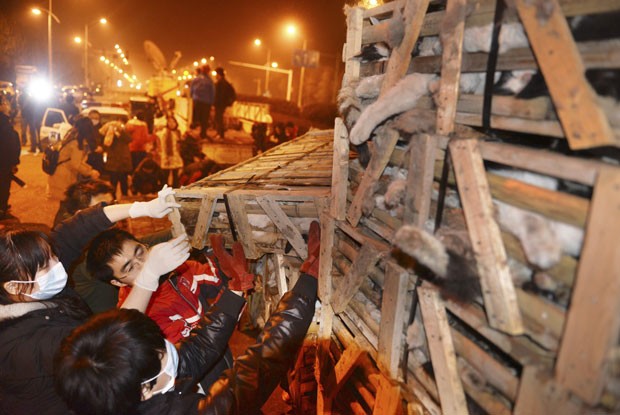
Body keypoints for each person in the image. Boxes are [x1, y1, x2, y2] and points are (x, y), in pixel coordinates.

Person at [55, 221, 321, 415]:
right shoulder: (190, 409)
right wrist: (307, 286)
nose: (172, 349)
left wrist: (235, 291)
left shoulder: (130, 381)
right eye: (161, 352)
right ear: (143, 390)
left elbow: (200, 346)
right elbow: (254, 373)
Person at [0, 187, 190, 414]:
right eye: (45, 267)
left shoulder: (31, 283)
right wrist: (148, 276)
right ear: (13, 286)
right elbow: (108, 341)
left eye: (52, 255)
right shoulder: (20, 343)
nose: (57, 264)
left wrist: (142, 208)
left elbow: (76, 229)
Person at [86, 231, 253, 389]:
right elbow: (195, 353)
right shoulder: (140, 318)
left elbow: (215, 281)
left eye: (140, 252)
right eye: (130, 268)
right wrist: (235, 290)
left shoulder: (177, 272)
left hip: (221, 358)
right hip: (198, 381)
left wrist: (221, 263)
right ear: (118, 283)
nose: (144, 265)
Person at [46, 118, 101, 203]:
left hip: (63, 175)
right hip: (63, 177)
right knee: (67, 204)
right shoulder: (76, 143)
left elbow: (77, 162)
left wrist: (89, 170)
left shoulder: (73, 138)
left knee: (66, 205)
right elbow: (75, 164)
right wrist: (90, 172)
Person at [0, 95, 21, 220]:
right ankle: (2, 209)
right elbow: (13, 146)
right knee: (3, 186)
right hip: (5, 163)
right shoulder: (7, 127)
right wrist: (14, 163)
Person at [100, 119, 133, 198]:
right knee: (113, 183)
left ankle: (125, 197)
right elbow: (105, 143)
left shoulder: (123, 134)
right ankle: (113, 198)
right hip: (113, 163)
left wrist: (121, 132)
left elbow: (130, 139)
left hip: (123, 162)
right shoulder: (109, 135)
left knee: (123, 182)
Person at [156, 115, 184, 188]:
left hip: (176, 156)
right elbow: (160, 141)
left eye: (173, 122)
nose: (171, 124)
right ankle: (164, 191)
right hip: (167, 156)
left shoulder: (178, 132)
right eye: (169, 122)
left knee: (176, 176)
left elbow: (180, 144)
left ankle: (175, 190)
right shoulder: (164, 132)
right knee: (165, 175)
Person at [190, 65, 215, 138]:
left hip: (197, 101)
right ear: (208, 71)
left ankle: (192, 134)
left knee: (195, 118)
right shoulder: (210, 81)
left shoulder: (196, 79)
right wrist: (212, 102)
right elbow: (212, 92)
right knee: (204, 119)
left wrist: (193, 97)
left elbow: (191, 90)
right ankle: (203, 134)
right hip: (206, 102)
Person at [213, 67, 236, 139]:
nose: (215, 76)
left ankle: (220, 134)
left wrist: (216, 102)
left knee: (218, 118)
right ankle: (219, 133)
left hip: (220, 104)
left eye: (216, 74)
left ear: (219, 74)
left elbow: (219, 95)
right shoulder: (225, 83)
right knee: (218, 118)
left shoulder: (221, 83)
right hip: (222, 104)